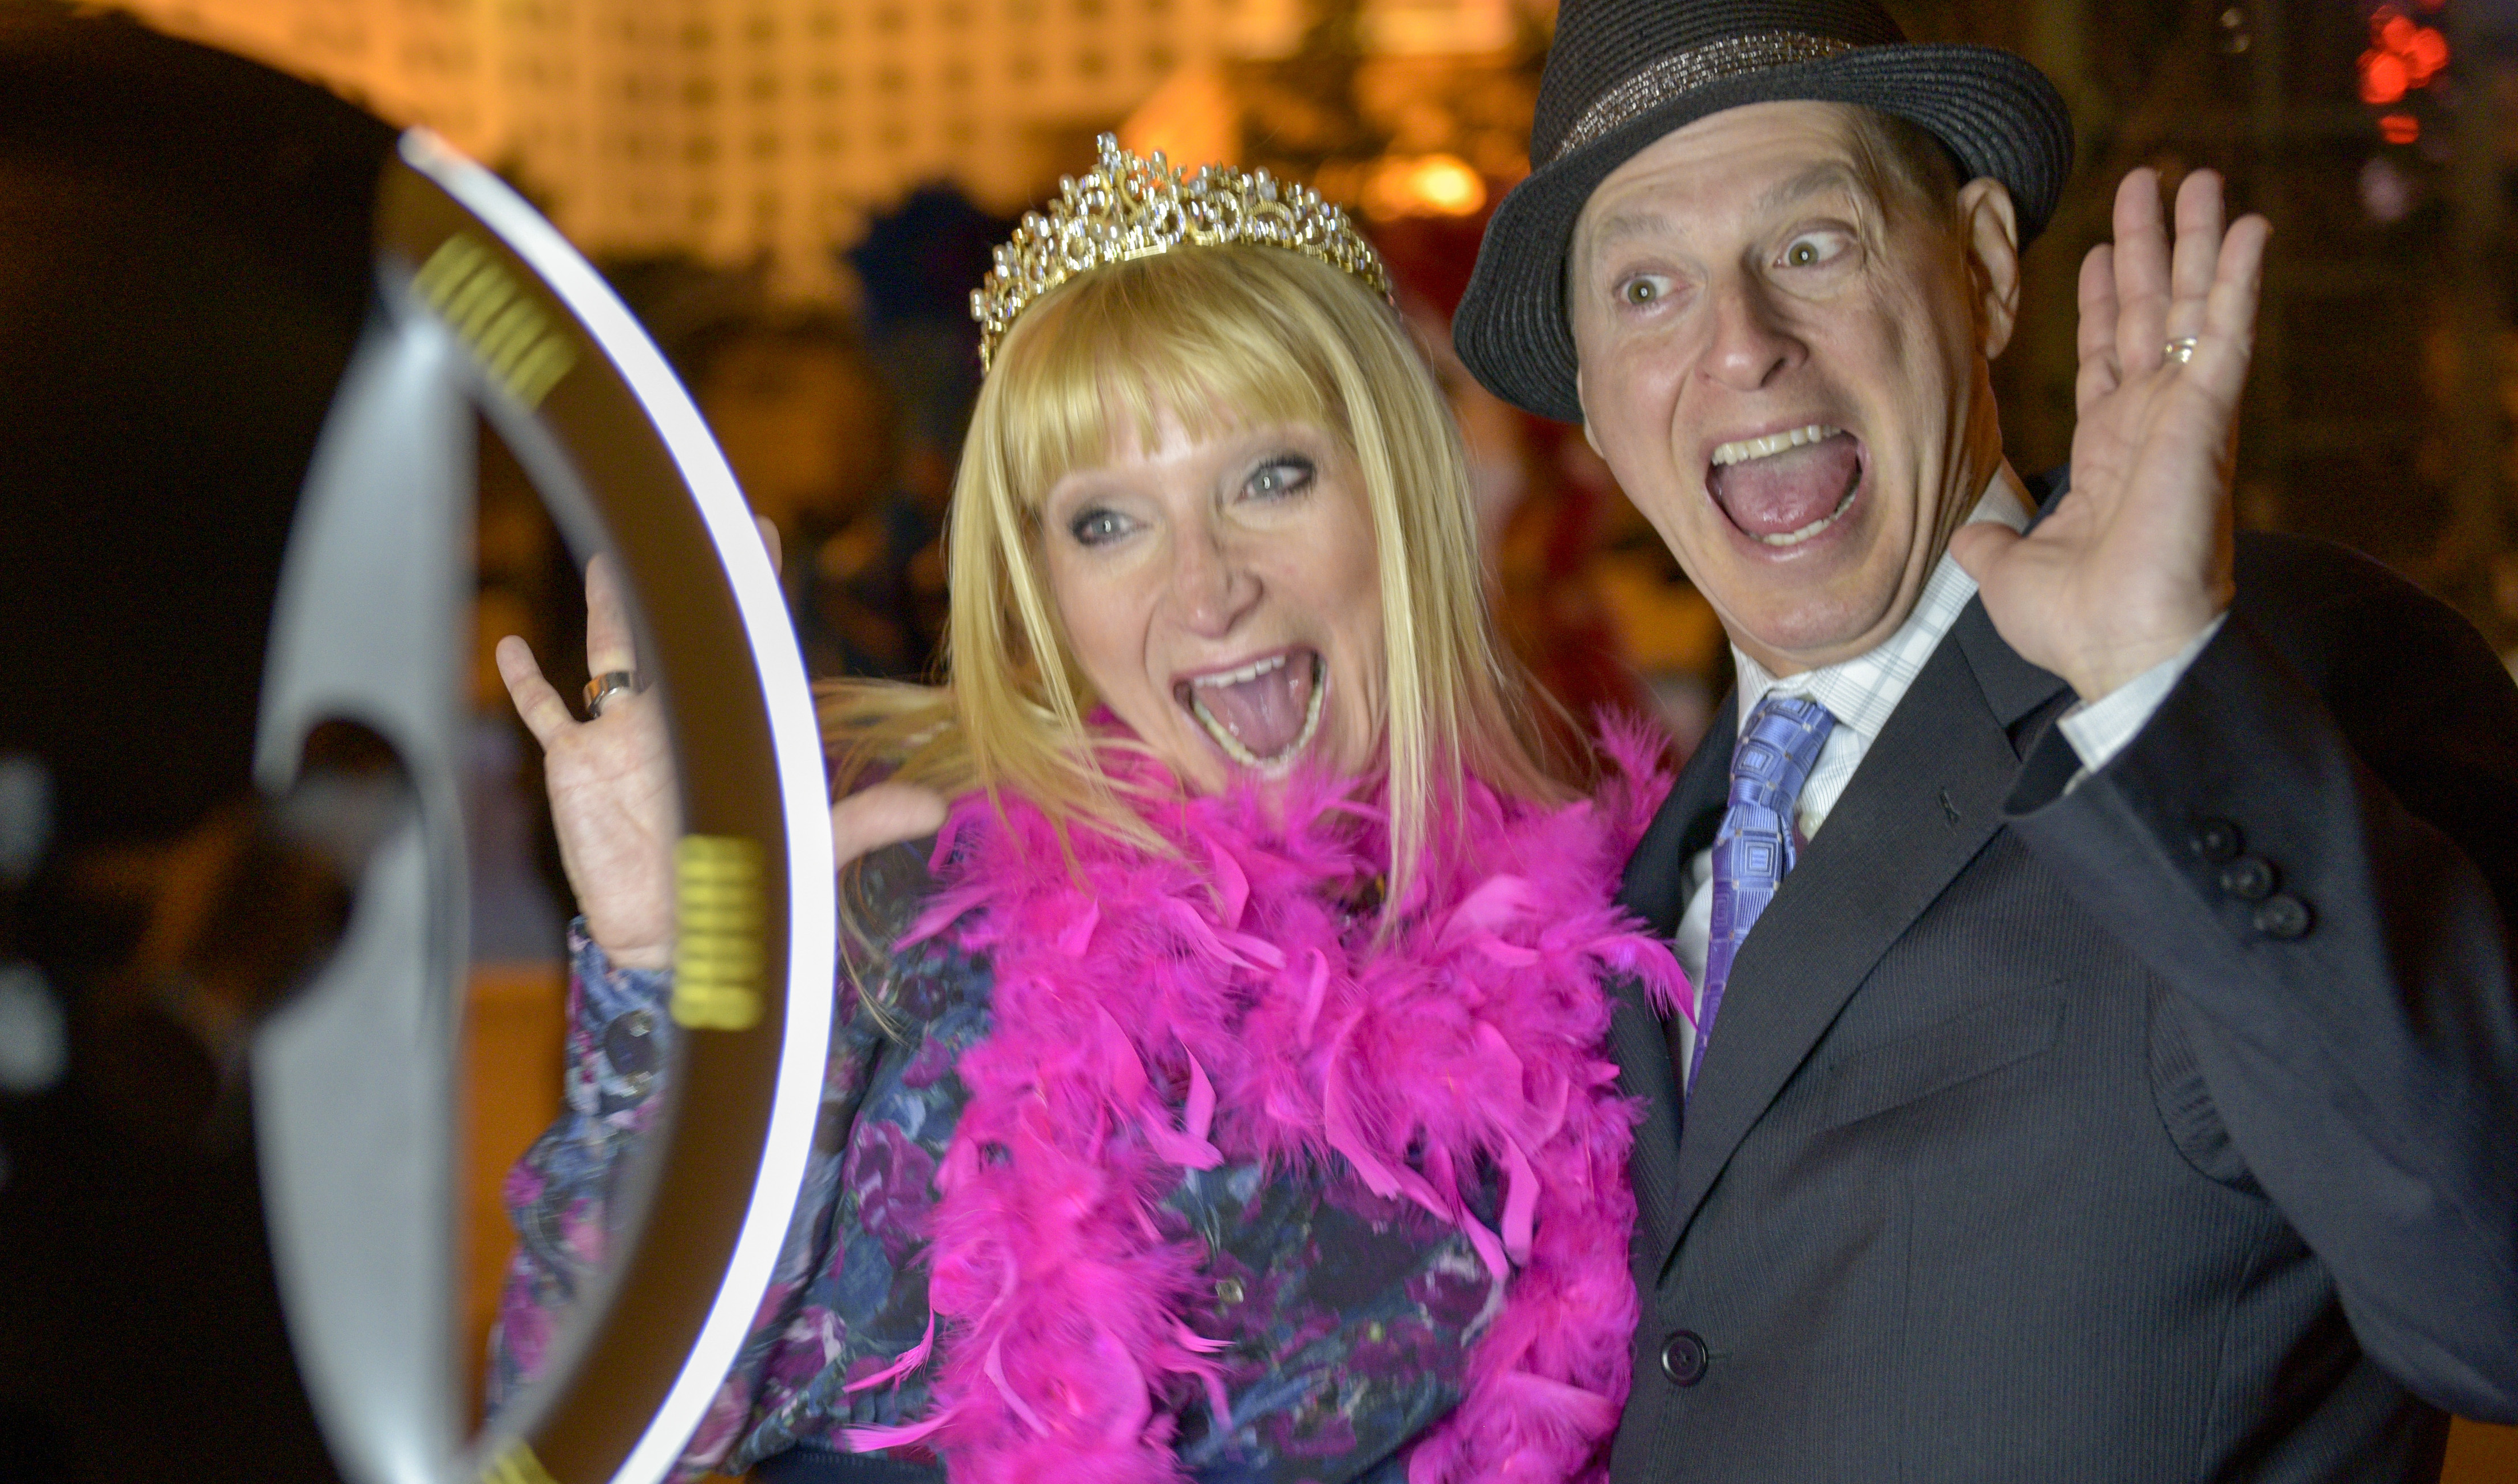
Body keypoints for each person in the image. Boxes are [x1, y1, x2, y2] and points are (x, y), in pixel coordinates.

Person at [1448, 0, 2518, 1480]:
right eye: (1646, 287)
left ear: (1986, 272)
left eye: (1812, 243)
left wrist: (2158, 690)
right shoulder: (1619, 890)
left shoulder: (2294, 672)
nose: (1740, 342)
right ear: (1600, 409)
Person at [484, 138, 1688, 1482]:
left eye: (1271, 477)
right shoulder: (917, 946)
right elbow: (594, 1428)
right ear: (1040, 590)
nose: (1210, 586)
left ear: (1396, 491)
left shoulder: (1593, 937)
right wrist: (669, 980)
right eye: (1109, 522)